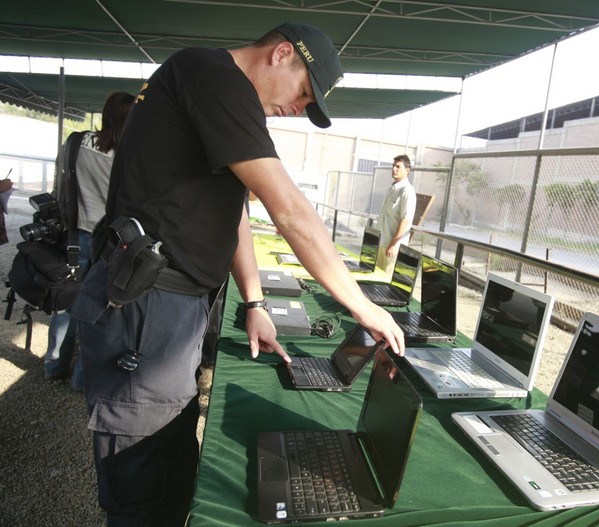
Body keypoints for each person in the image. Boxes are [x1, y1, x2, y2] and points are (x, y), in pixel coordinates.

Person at [68, 21, 405, 526]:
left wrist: (254, 302)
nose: (298, 108)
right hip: (147, 304)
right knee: (140, 484)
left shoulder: (223, 96)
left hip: (176, 307)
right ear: (281, 53)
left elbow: (236, 212)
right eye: (303, 92)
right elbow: (288, 209)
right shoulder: (211, 74)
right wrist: (363, 305)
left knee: (173, 462)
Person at [43, 91, 135, 389]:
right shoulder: (128, 156)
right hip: (108, 242)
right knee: (96, 309)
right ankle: (82, 379)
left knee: (66, 299)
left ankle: (54, 367)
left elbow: (62, 182)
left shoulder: (74, 142)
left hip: (72, 234)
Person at [376, 154, 416, 273]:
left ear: (407, 170)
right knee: (376, 280)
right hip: (382, 243)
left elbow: (405, 219)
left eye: (398, 166)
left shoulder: (407, 191)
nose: (394, 169)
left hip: (393, 248)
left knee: (387, 284)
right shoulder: (393, 189)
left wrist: (393, 244)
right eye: (393, 166)